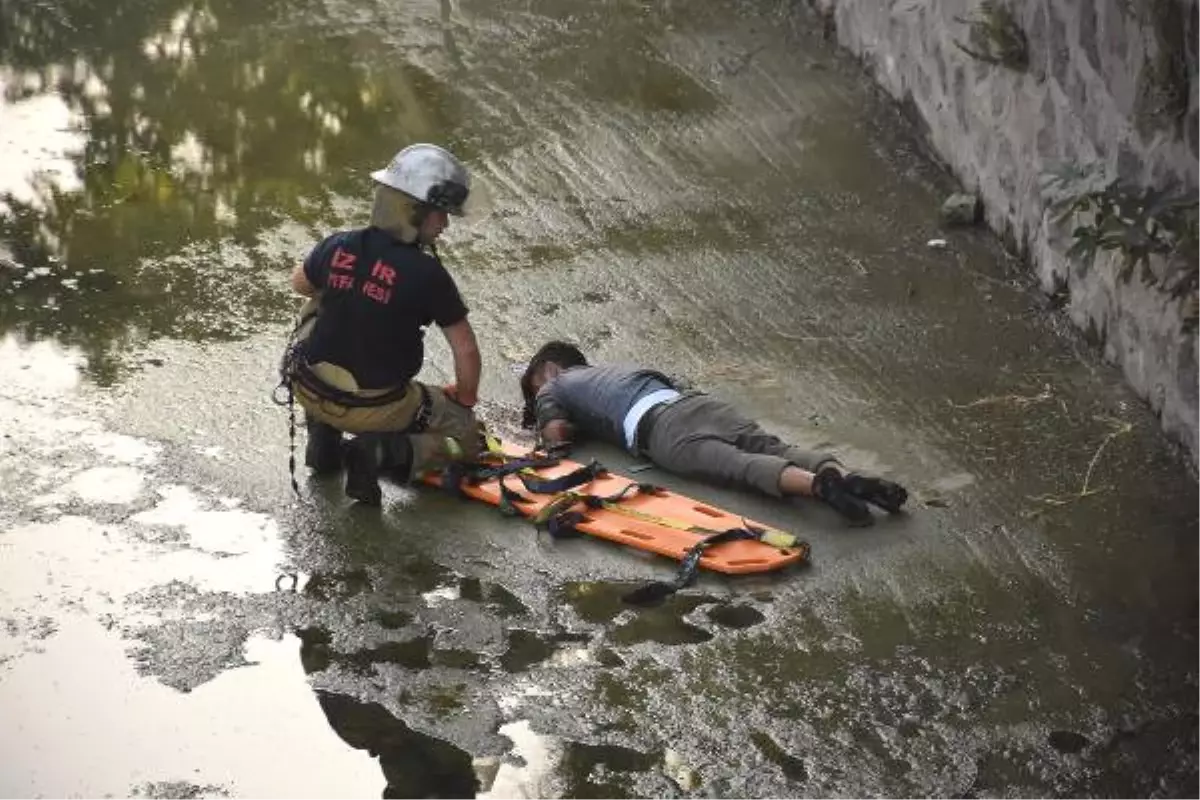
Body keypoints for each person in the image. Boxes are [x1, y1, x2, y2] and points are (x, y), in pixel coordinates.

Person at [283, 143, 483, 506]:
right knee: (469, 437)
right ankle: (379, 453)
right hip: (375, 407)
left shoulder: (339, 244)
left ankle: (324, 441)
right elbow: (465, 348)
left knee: (321, 302)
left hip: (309, 387)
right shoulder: (428, 274)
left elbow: (300, 284)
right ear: (414, 211)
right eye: (441, 214)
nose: (446, 224)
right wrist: (465, 397)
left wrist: (346, 279)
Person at [519, 341, 908, 526]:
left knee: (741, 466)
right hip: (696, 404)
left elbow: (556, 434)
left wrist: (545, 441)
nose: (538, 398)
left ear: (550, 370)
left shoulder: (557, 384)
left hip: (662, 431)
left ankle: (821, 488)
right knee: (774, 446)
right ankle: (848, 478)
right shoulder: (620, 370)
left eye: (533, 389)